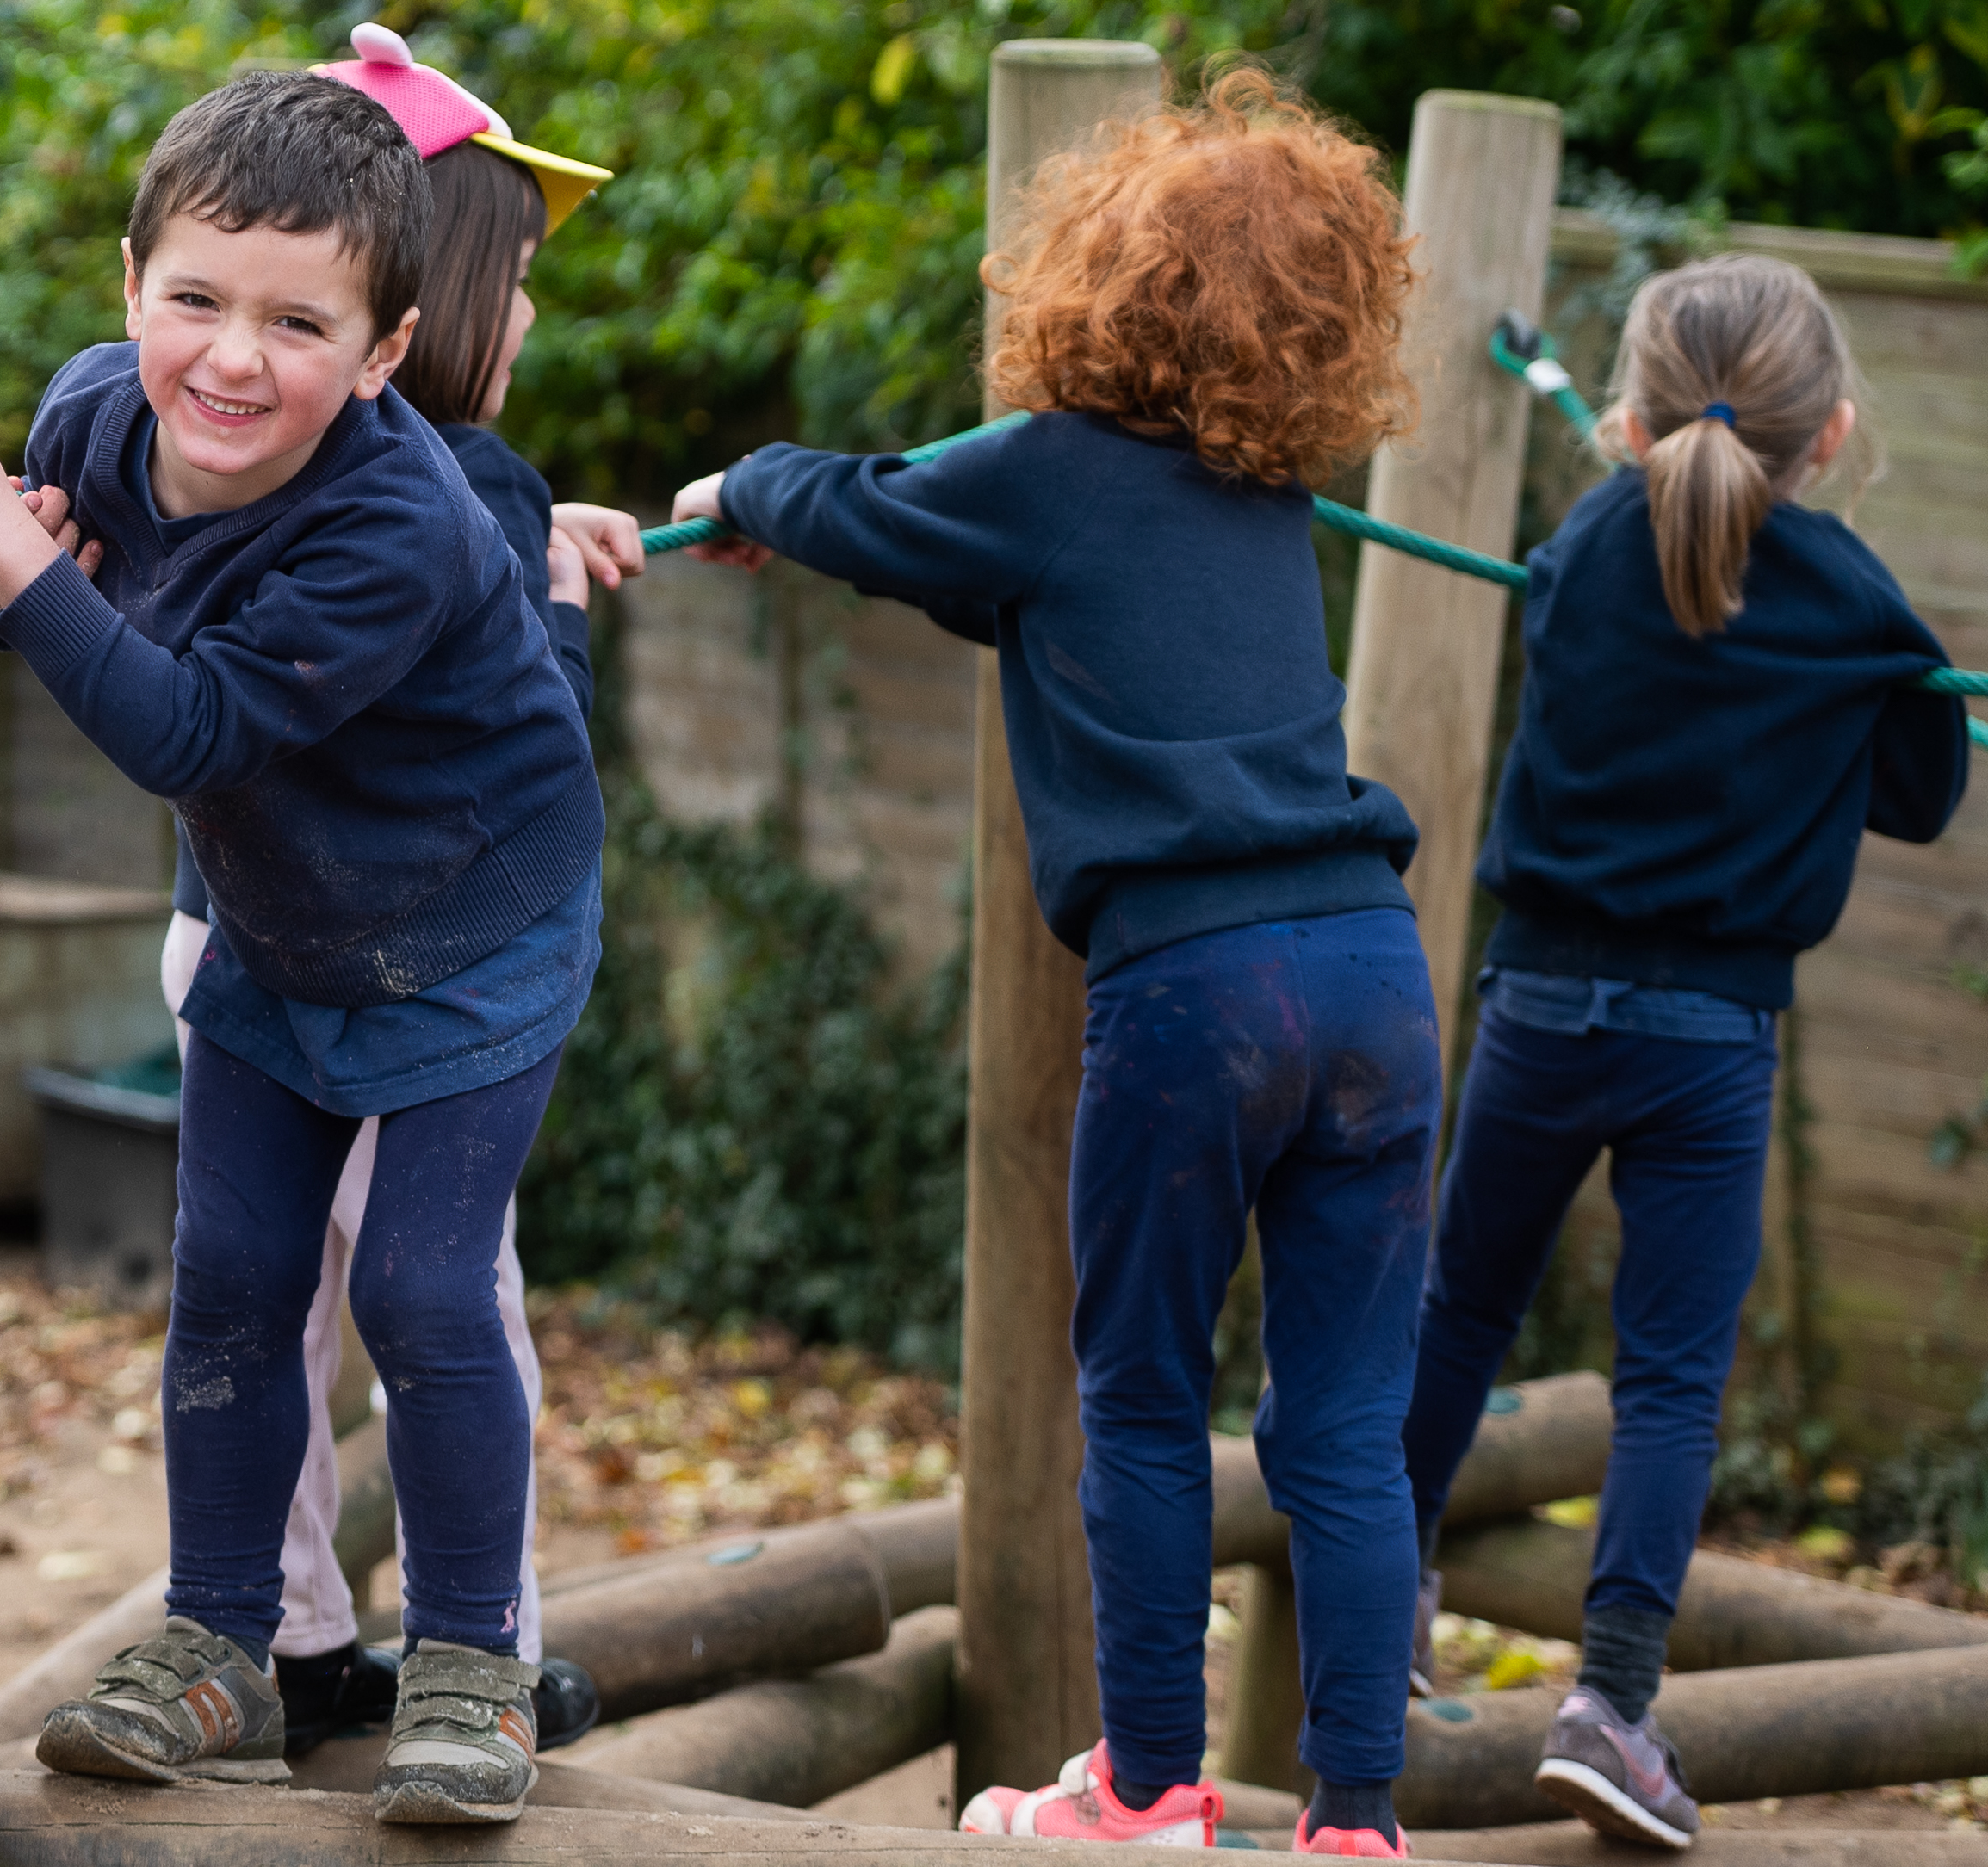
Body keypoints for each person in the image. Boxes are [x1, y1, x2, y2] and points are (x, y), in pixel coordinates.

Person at [668, 71, 1436, 1858]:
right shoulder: (1266, 505)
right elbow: (1029, 593)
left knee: (1149, 1392)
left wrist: (745, 484)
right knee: (1344, 1417)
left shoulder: (1052, 470)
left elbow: (868, 505)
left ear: (1103, 279)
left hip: (1203, 991)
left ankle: (1151, 1786)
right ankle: (1357, 1817)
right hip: (1376, 982)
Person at [0, 67, 603, 1826]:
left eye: (299, 323)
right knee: (227, 1281)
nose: (229, 356)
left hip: (470, 935)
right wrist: (10, 575)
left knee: (425, 1291)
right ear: (129, 281)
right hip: (283, 931)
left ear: (381, 354)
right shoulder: (90, 419)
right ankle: (219, 1641)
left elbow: (186, 733)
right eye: (195, 297)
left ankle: (468, 1661)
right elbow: (70, 618)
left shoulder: (400, 526)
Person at [1398, 253, 1967, 1852]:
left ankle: (1385, 1602)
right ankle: (1613, 1704)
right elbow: (1921, 790)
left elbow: (1593, 675)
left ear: (1636, 419)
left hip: (1537, 1004)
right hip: (1705, 1039)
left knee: (1459, 1308)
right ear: (1832, 436)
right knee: (1667, 1381)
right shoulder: (1852, 597)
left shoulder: (1580, 545)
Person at [133, 22, 629, 1763]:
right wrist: (558, 589)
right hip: (390, 952)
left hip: (239, 914)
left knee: (261, 1285)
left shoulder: (230, 450)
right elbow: (533, 719)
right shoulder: (452, 479)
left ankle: (293, 1633)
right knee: (433, 1289)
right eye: (531, 279)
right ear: (449, 294)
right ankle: (464, 1641)